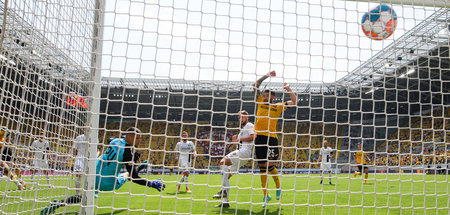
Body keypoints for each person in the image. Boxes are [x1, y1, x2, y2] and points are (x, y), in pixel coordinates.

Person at [40, 127, 165, 214]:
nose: (139, 141)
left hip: (94, 172)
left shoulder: (116, 141)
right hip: (106, 182)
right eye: (138, 138)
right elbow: (134, 177)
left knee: (83, 196)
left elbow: (111, 140)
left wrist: (131, 158)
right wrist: (151, 184)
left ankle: (57, 204)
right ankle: (140, 167)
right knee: (127, 175)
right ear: (131, 137)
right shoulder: (127, 152)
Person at [253, 71, 297, 207]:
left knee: (269, 165)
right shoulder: (260, 101)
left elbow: (294, 102)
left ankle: (278, 187)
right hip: (259, 138)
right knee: (262, 167)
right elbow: (256, 84)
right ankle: (266, 196)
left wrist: (289, 89)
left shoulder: (278, 107)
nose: (266, 98)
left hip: (271, 139)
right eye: (265, 95)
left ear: (273, 98)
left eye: (268, 96)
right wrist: (267, 75)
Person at [213, 110, 255, 208]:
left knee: (223, 162)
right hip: (241, 154)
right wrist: (235, 141)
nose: (240, 119)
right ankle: (225, 202)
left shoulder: (249, 125)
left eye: (241, 117)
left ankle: (222, 191)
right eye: (239, 117)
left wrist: (239, 139)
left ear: (246, 117)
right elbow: (240, 143)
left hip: (244, 153)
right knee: (226, 174)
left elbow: (253, 137)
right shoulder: (242, 130)